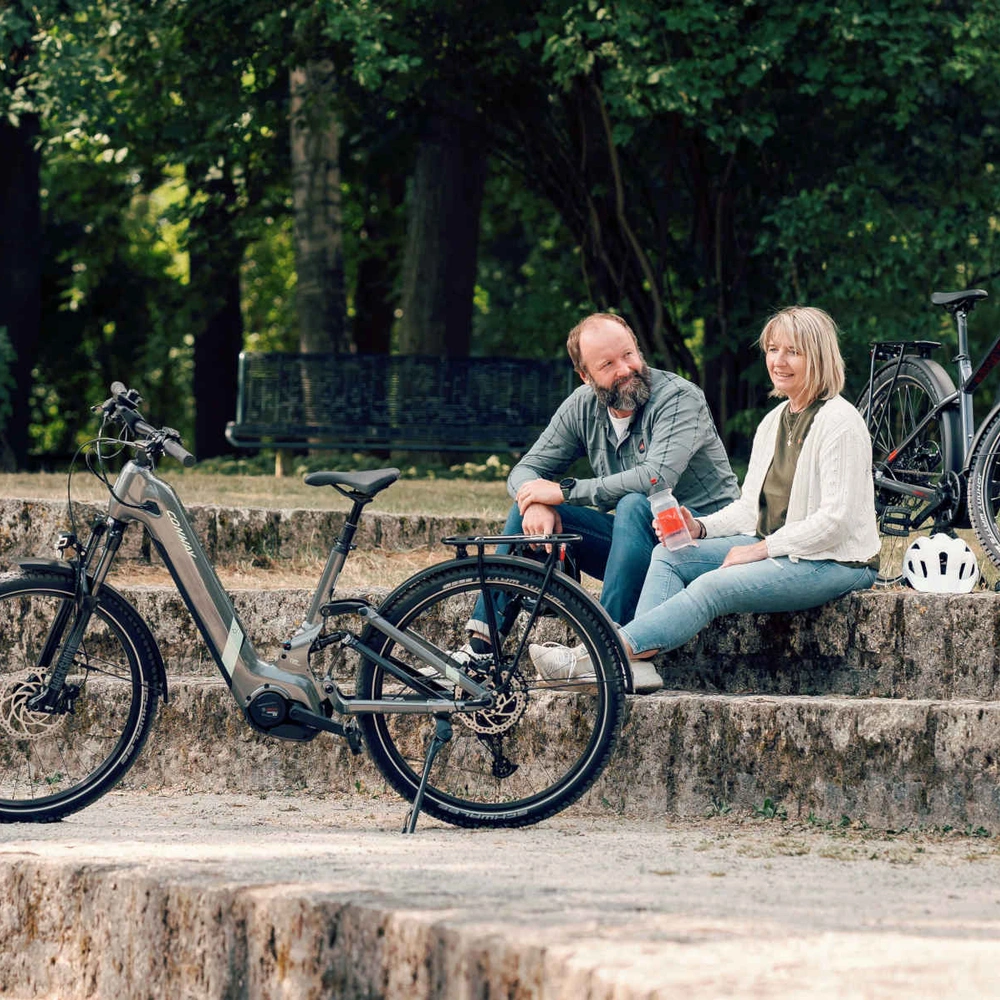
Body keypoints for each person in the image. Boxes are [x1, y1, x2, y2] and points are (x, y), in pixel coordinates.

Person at [529, 305, 880, 690]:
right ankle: (638, 665)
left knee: (713, 586)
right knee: (670, 553)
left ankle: (601, 652)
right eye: (773, 349)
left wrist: (761, 550)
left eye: (793, 352)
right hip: (779, 547)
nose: (778, 361)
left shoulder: (840, 422)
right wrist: (699, 527)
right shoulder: (774, 420)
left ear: (819, 357)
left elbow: (836, 522)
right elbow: (750, 508)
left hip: (835, 561)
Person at [464, 312, 740, 686]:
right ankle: (478, 654)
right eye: (607, 364)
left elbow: (654, 478)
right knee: (524, 505)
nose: (625, 369)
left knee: (633, 503)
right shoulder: (582, 406)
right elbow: (524, 472)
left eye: (629, 355)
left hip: (701, 546)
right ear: (586, 376)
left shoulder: (679, 398)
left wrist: (563, 492)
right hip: (640, 547)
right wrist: (537, 501)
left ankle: (606, 647)